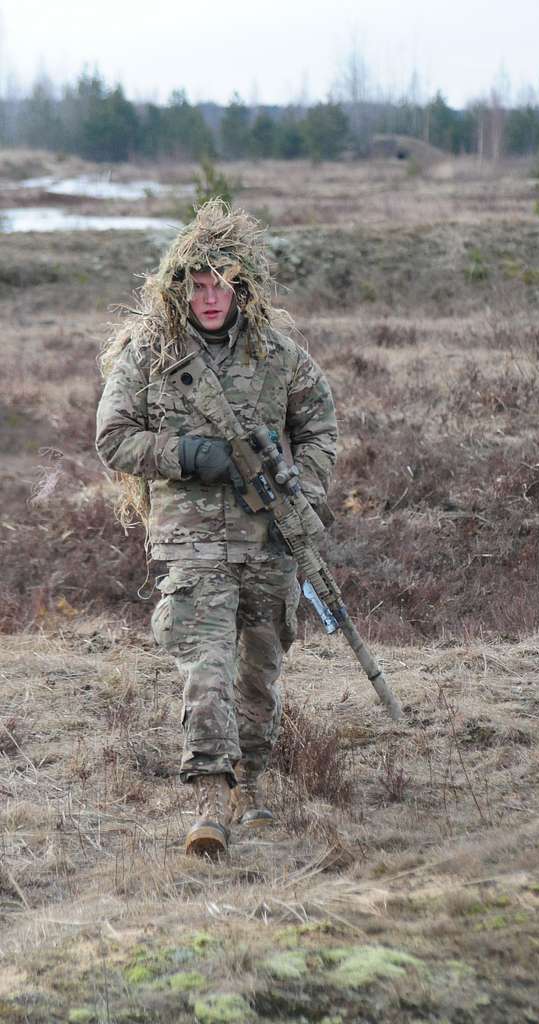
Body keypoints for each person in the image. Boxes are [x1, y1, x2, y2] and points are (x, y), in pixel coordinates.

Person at [96, 200, 337, 857]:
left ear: (241, 288)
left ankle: (250, 788)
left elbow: (318, 423)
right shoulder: (150, 354)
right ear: (179, 288)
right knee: (206, 666)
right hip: (190, 539)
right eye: (197, 286)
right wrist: (192, 456)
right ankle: (208, 801)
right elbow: (113, 437)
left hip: (266, 537)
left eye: (220, 285)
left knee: (259, 670)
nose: (209, 298)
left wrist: (303, 492)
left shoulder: (278, 354)